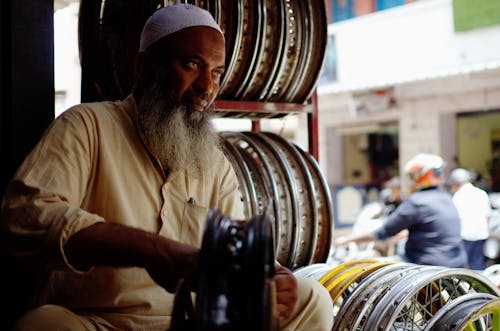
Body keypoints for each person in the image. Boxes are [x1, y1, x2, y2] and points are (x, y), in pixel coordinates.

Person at [0, 4, 333, 331]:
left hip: (189, 322)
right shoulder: (88, 126)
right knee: (42, 324)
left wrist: (273, 278)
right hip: (98, 322)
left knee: (312, 298)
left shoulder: (214, 163)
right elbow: (26, 215)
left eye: (216, 72)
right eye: (192, 64)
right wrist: (154, 252)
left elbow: (238, 250)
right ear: (143, 67)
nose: (207, 87)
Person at [336, 153, 467, 268]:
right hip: (456, 262)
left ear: (420, 176)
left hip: (424, 264)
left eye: (412, 176)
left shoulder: (416, 202)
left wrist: (347, 239)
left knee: (370, 270)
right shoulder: (447, 198)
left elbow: (383, 232)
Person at [447, 168, 492, 270]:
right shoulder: (482, 193)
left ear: (455, 183)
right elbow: (488, 216)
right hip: (480, 235)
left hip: (464, 237)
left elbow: (453, 219)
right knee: (478, 265)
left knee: (461, 269)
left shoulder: (457, 197)